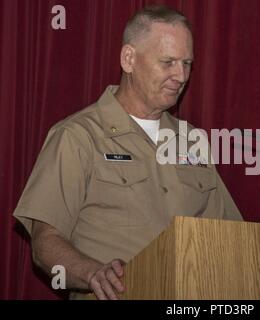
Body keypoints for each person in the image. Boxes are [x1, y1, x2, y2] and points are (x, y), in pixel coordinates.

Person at [13, 5, 243, 300]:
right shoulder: (78, 137)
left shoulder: (191, 141)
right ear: (129, 59)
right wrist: (92, 272)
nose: (181, 75)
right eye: (168, 61)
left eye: (187, 63)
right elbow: (46, 242)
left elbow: (230, 237)